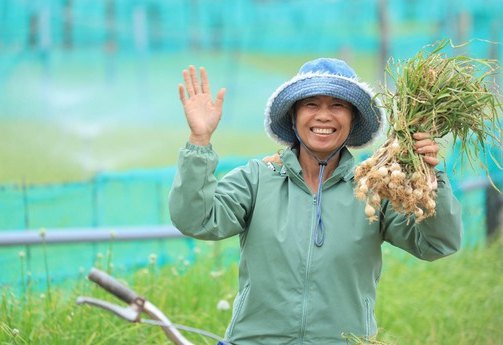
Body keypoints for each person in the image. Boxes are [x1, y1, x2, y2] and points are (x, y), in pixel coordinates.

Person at [168, 58, 462, 344]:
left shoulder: (374, 188)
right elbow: (197, 220)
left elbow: (437, 244)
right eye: (311, 104)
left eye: (338, 105)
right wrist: (199, 140)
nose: (323, 116)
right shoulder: (257, 179)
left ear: (353, 119)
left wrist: (429, 177)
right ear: (293, 116)